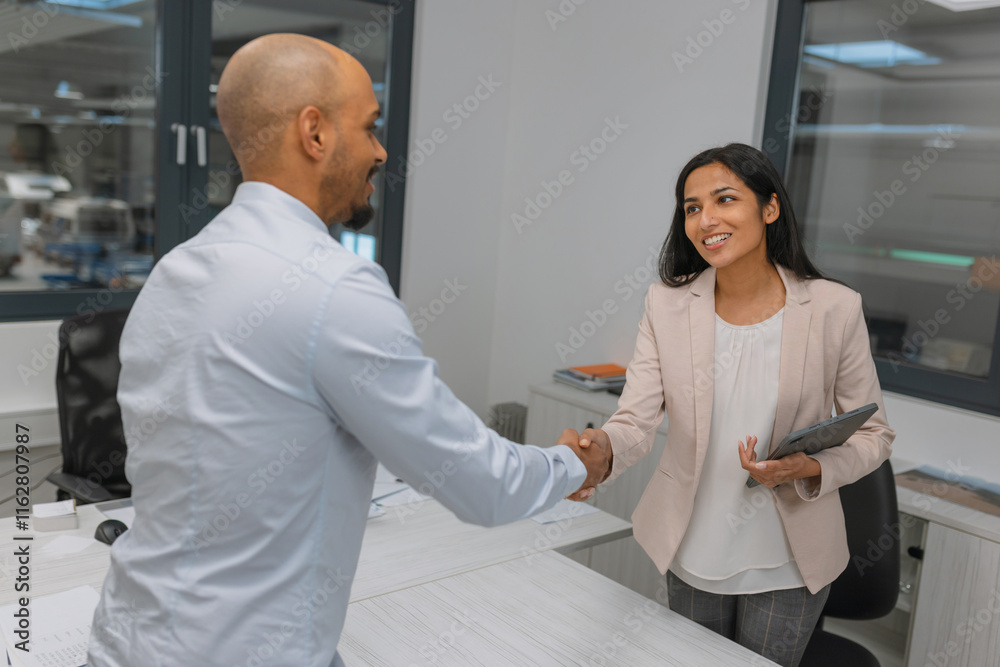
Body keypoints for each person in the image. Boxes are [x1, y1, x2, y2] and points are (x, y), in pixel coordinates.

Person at [87, 34, 607, 667]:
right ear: (315, 133)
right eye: (370, 126)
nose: (381, 151)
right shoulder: (331, 285)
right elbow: (481, 485)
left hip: (126, 639)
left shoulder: (175, 271)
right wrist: (580, 462)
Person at [568, 143, 895, 667]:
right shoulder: (667, 304)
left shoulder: (834, 308)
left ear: (769, 209)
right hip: (694, 546)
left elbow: (874, 434)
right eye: (692, 207)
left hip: (788, 558)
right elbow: (635, 419)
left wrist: (810, 465)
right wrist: (597, 452)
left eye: (724, 199)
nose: (706, 220)